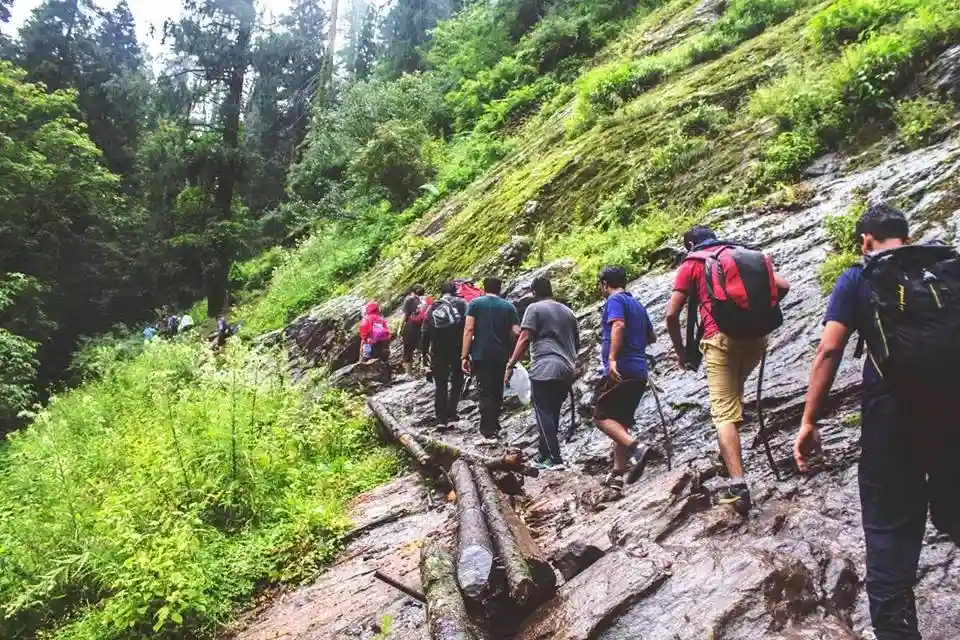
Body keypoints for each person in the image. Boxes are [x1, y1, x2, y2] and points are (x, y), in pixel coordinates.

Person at [794, 203, 960, 640]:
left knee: (889, 531)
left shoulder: (858, 277)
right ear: (906, 235)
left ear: (866, 240)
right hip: (952, 412)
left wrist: (809, 422)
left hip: (892, 419)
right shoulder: (945, 267)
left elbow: (829, 351)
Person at [664, 225, 790, 516]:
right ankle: (729, 457)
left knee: (722, 412)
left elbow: (671, 314)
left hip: (720, 340)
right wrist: (757, 316)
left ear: (690, 245)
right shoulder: (740, 253)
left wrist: (683, 352)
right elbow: (782, 286)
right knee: (733, 400)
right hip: (757, 339)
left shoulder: (692, 263)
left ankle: (738, 485)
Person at [506, 277, 580, 470]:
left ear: (534, 293)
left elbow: (524, 338)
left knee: (542, 412)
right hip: (566, 368)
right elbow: (576, 343)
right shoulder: (568, 312)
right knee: (552, 413)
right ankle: (543, 455)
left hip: (545, 366)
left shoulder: (534, 309)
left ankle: (555, 459)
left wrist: (511, 364)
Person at [594, 266, 655, 493]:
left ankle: (636, 448)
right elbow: (651, 336)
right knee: (620, 422)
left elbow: (618, 324)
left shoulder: (615, 300)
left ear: (604, 284)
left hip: (622, 369)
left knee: (601, 416)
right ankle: (618, 474)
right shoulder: (637, 305)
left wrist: (612, 358)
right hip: (639, 370)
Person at [462, 277, 520, 445]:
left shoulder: (475, 304)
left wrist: (464, 355)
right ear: (500, 288)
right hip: (501, 354)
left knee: (485, 391)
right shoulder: (508, 307)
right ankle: (495, 424)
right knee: (497, 390)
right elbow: (516, 331)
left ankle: (487, 432)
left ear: (484, 287)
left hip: (481, 354)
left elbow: (469, 328)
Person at [422, 282, 468, 427]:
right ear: (455, 291)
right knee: (457, 380)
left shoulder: (433, 307)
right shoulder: (461, 304)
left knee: (440, 384)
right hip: (457, 349)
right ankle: (452, 412)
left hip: (438, 350)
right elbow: (468, 326)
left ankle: (441, 418)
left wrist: (424, 352)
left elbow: (425, 332)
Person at [401, 284, 430, 376]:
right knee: (423, 348)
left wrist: (400, 327)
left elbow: (405, 315)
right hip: (424, 326)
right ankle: (425, 369)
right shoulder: (426, 299)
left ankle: (409, 374)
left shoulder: (409, 299)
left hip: (411, 326)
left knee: (408, 349)